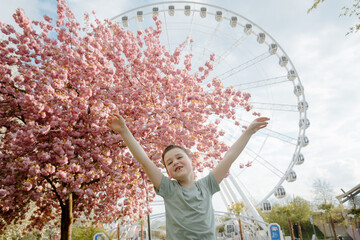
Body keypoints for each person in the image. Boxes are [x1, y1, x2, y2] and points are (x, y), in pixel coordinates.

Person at [107, 114, 269, 239]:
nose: (175, 162)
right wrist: (124, 131)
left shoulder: (207, 185)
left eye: (179, 157)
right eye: (169, 163)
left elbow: (229, 156)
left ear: (192, 162)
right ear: (168, 173)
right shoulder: (168, 188)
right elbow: (144, 160)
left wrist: (248, 132)